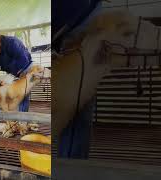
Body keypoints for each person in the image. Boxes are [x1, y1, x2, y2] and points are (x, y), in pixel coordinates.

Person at [53, 0, 102, 159]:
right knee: (75, 118)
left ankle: (72, 164)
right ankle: (71, 164)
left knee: (77, 115)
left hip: (76, 45)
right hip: (69, 42)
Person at [0, 23, 33, 112]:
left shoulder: (12, 43)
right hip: (12, 72)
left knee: (22, 94)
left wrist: (9, 78)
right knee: (2, 89)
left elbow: (23, 61)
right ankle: (4, 112)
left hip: (25, 69)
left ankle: (23, 119)